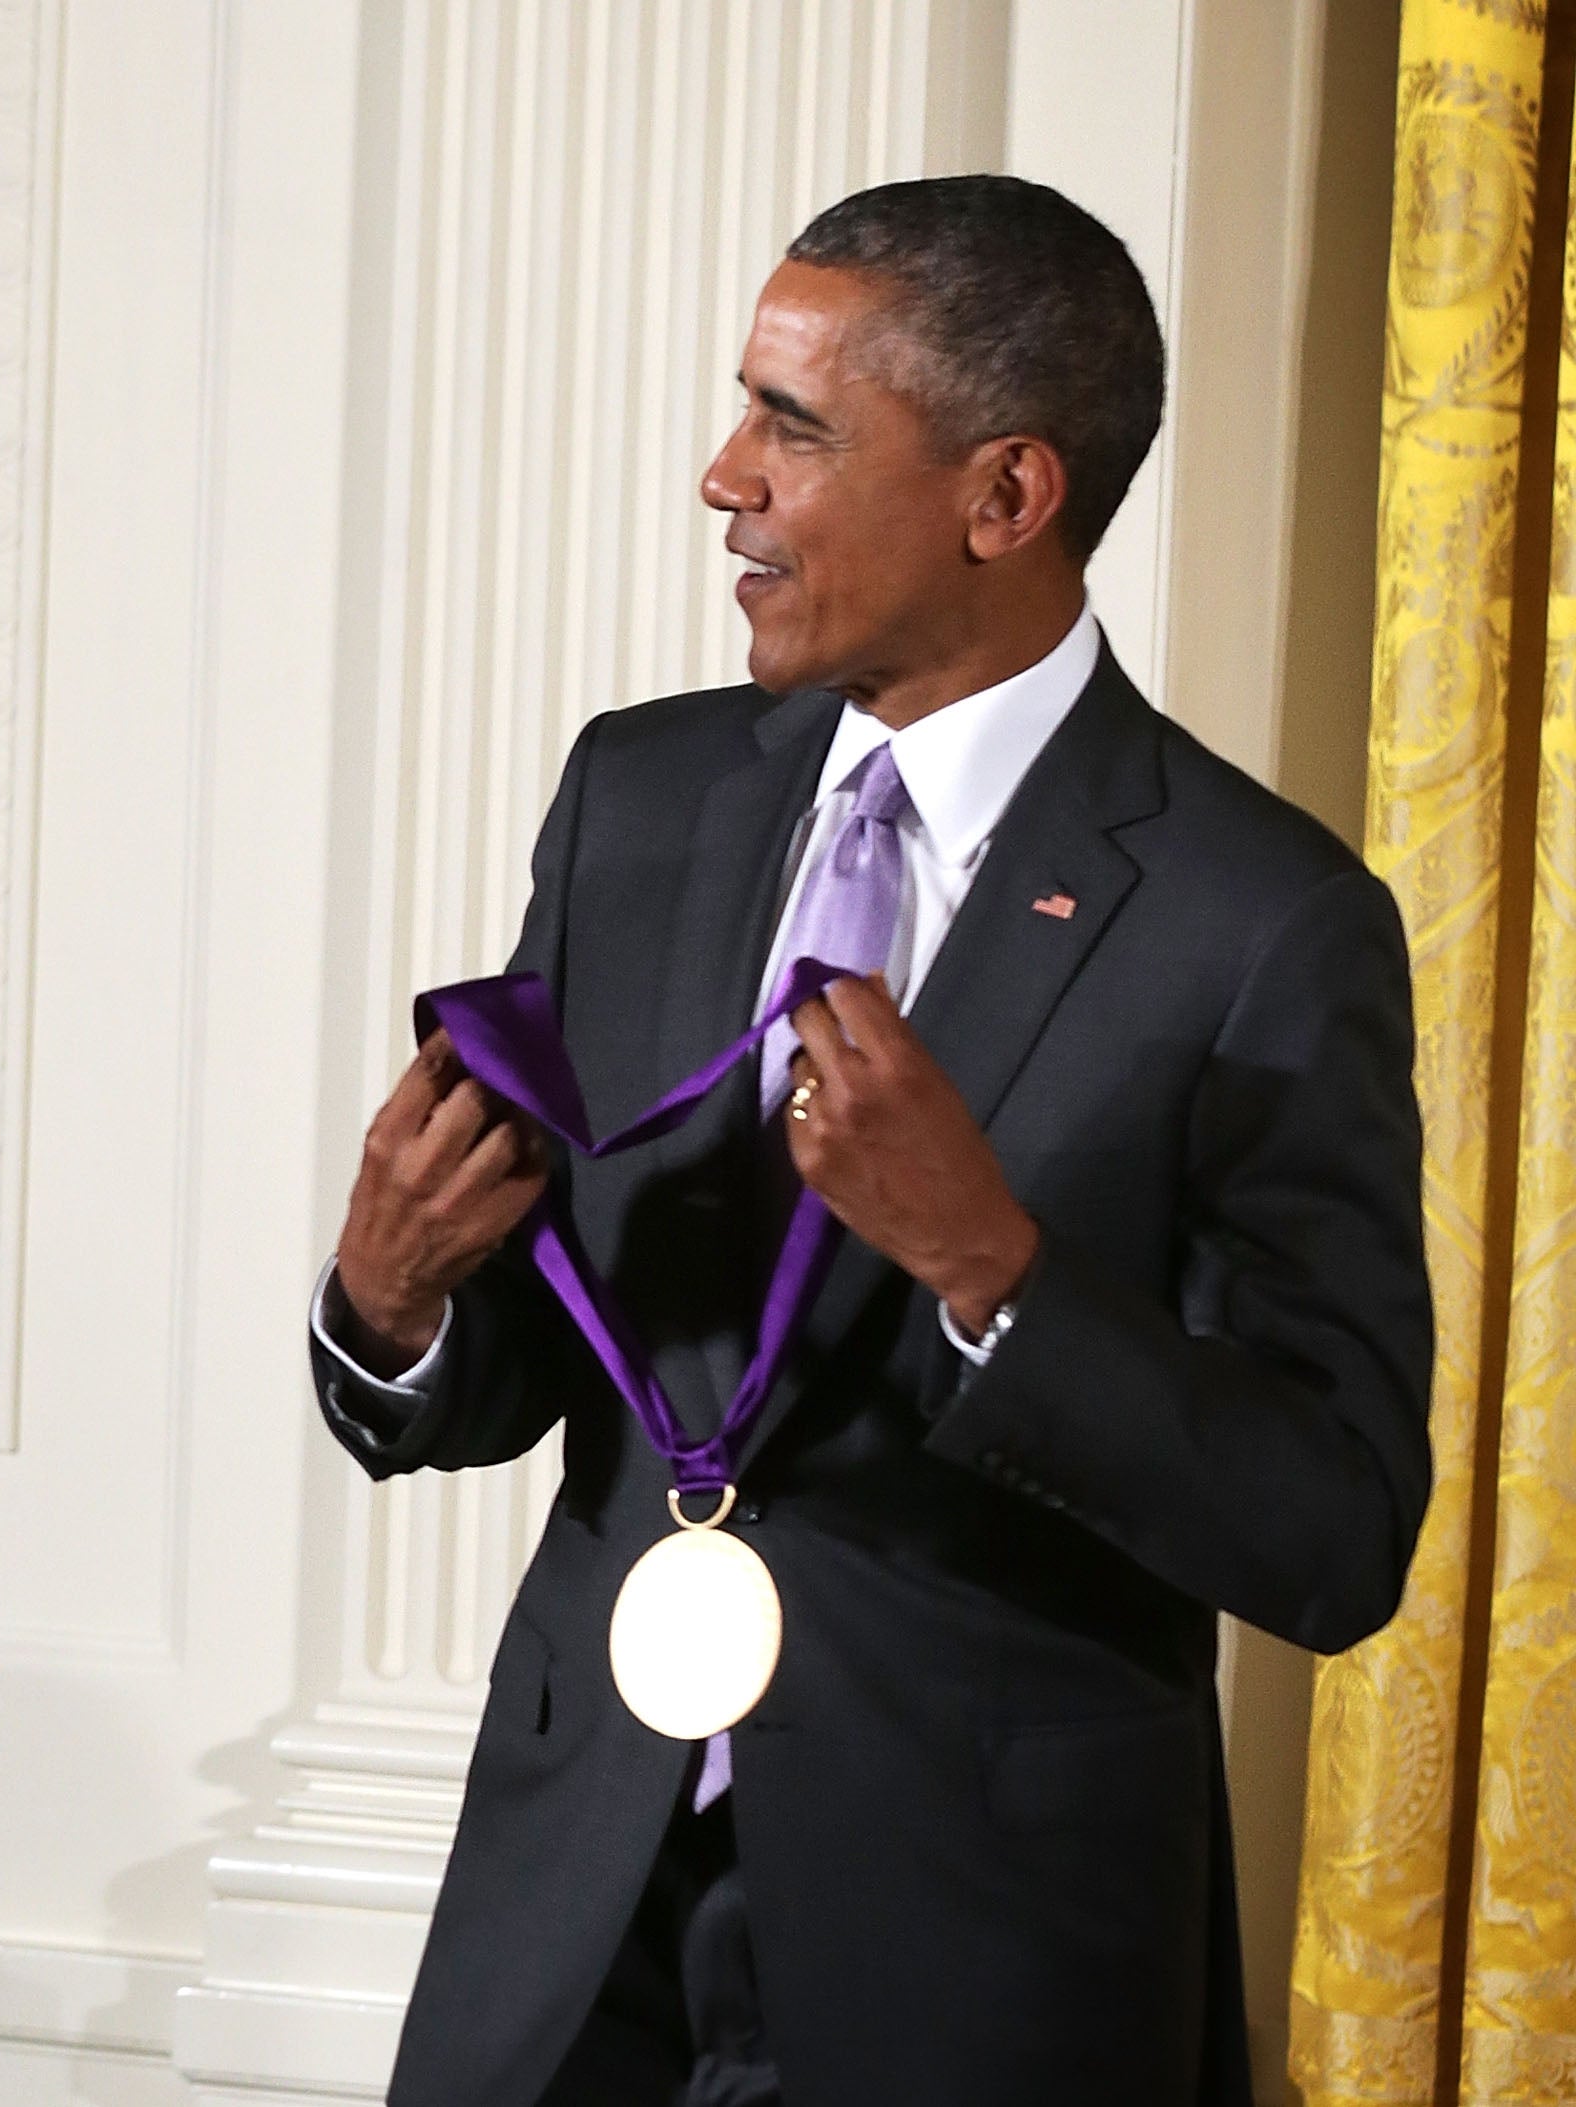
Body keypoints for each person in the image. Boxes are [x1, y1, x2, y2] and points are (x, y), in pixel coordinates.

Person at [311, 175, 1431, 2107]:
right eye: (744, 408)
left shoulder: (1265, 922)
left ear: (1007, 497)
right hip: (578, 1914)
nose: (721, 476)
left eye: (793, 428)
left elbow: (1334, 1531)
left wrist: (994, 1273)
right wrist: (391, 1301)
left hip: (982, 1954)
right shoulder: (638, 797)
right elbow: (544, 1352)